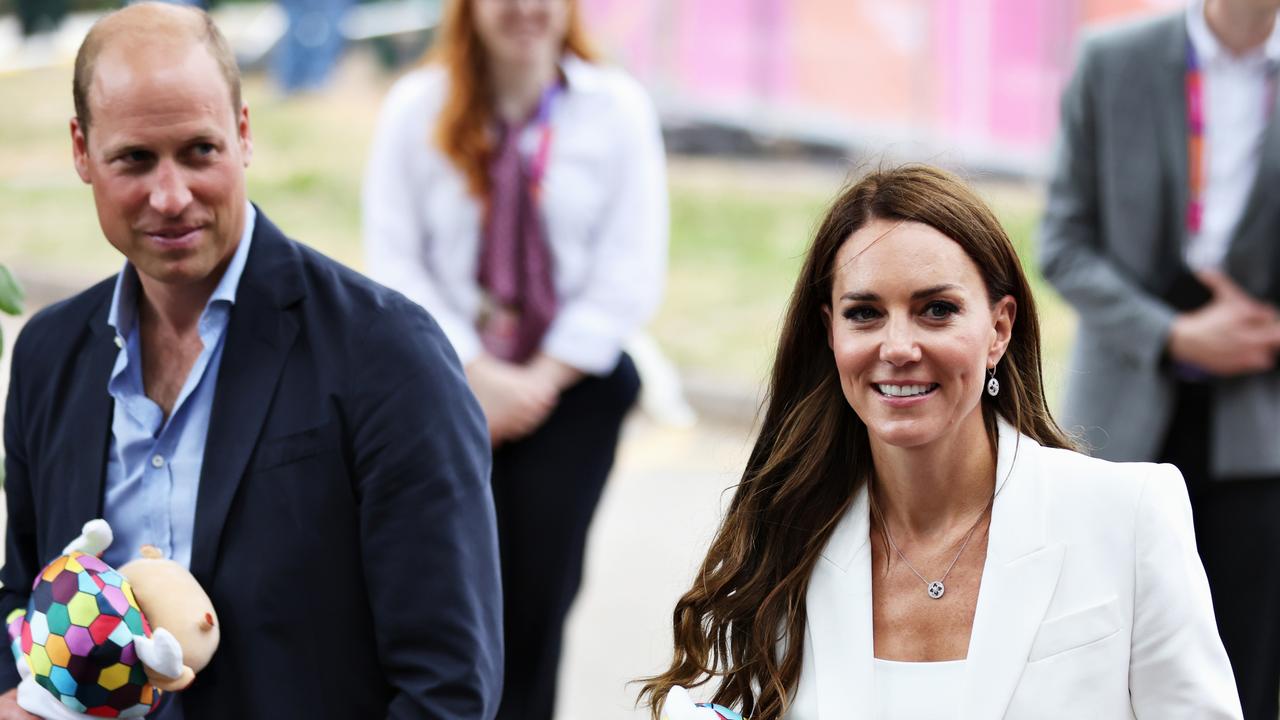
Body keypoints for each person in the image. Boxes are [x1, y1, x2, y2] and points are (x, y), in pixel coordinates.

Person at [0, 4, 502, 719]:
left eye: (198, 151)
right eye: (135, 159)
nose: (171, 197)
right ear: (81, 152)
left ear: (242, 133)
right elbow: (23, 593)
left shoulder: (389, 356)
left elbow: (448, 687)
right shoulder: (50, 354)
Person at [640, 166, 1242, 719]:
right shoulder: (785, 546)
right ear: (830, 332)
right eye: (865, 313)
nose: (898, 347)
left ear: (998, 330)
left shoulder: (1127, 513)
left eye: (936, 309)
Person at [362, 0, 666, 717]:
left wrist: (536, 382)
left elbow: (630, 269)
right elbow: (396, 259)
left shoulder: (615, 109)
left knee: (535, 603)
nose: (527, 9)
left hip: (568, 391)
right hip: (445, 384)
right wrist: (473, 374)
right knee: (441, 596)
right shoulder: (416, 109)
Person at [1038, 1, 1280, 715]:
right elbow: (1062, 243)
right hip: (1121, 411)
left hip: (1260, 426)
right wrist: (1172, 334)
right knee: (1093, 667)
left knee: (1242, 668)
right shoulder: (1112, 61)